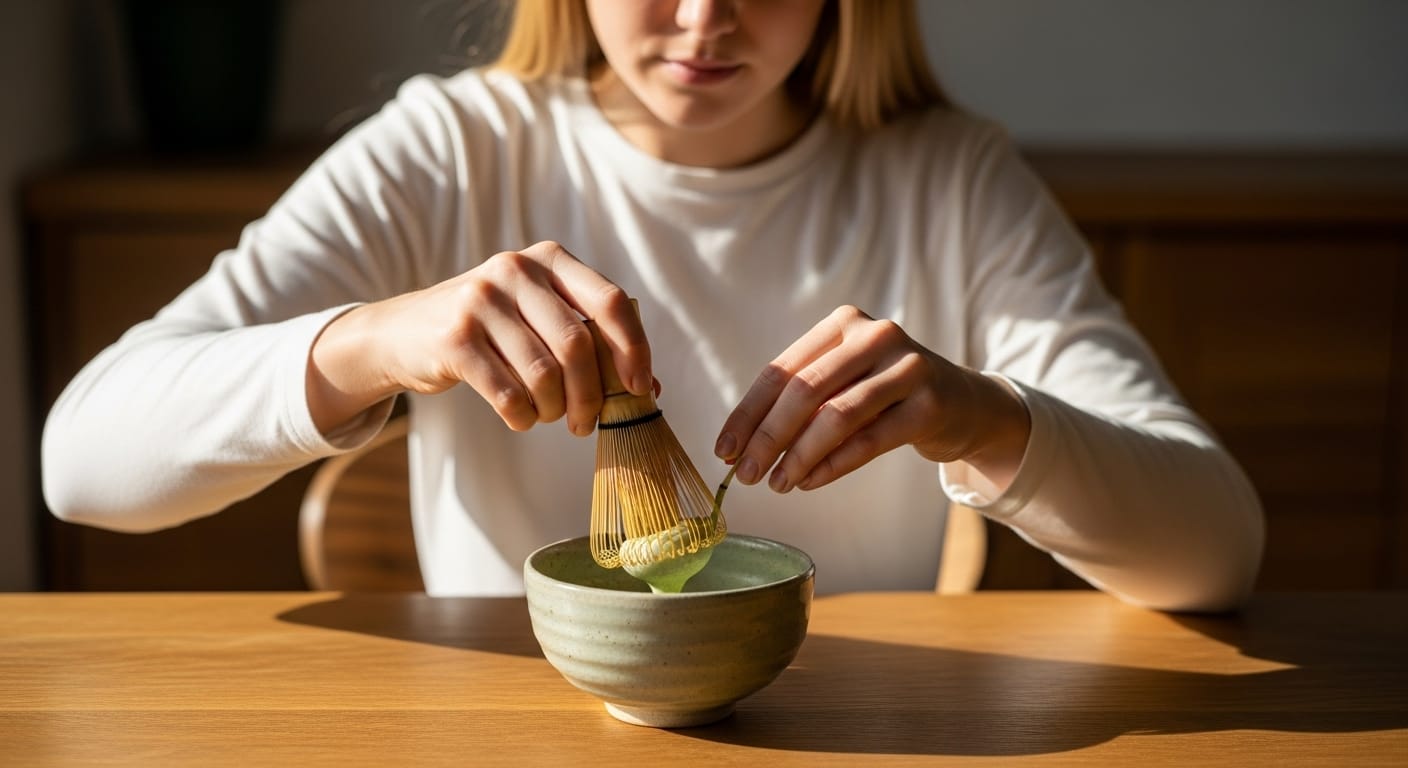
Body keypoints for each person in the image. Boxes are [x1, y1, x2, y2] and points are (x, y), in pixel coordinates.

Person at [42, 0, 1263, 611]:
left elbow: (1217, 548)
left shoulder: (946, 182)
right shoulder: (454, 149)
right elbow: (81, 460)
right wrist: (378, 341)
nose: (701, 15)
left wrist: (988, 419)